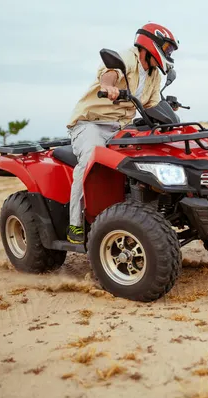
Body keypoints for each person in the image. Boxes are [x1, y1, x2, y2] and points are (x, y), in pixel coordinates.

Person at [65, 23, 179, 244]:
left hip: (120, 126)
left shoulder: (154, 74)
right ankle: (75, 225)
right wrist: (109, 87)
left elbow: (152, 103)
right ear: (150, 45)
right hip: (91, 124)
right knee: (89, 159)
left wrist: (168, 110)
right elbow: (108, 74)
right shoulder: (127, 58)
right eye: (166, 48)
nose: (168, 54)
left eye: (171, 51)